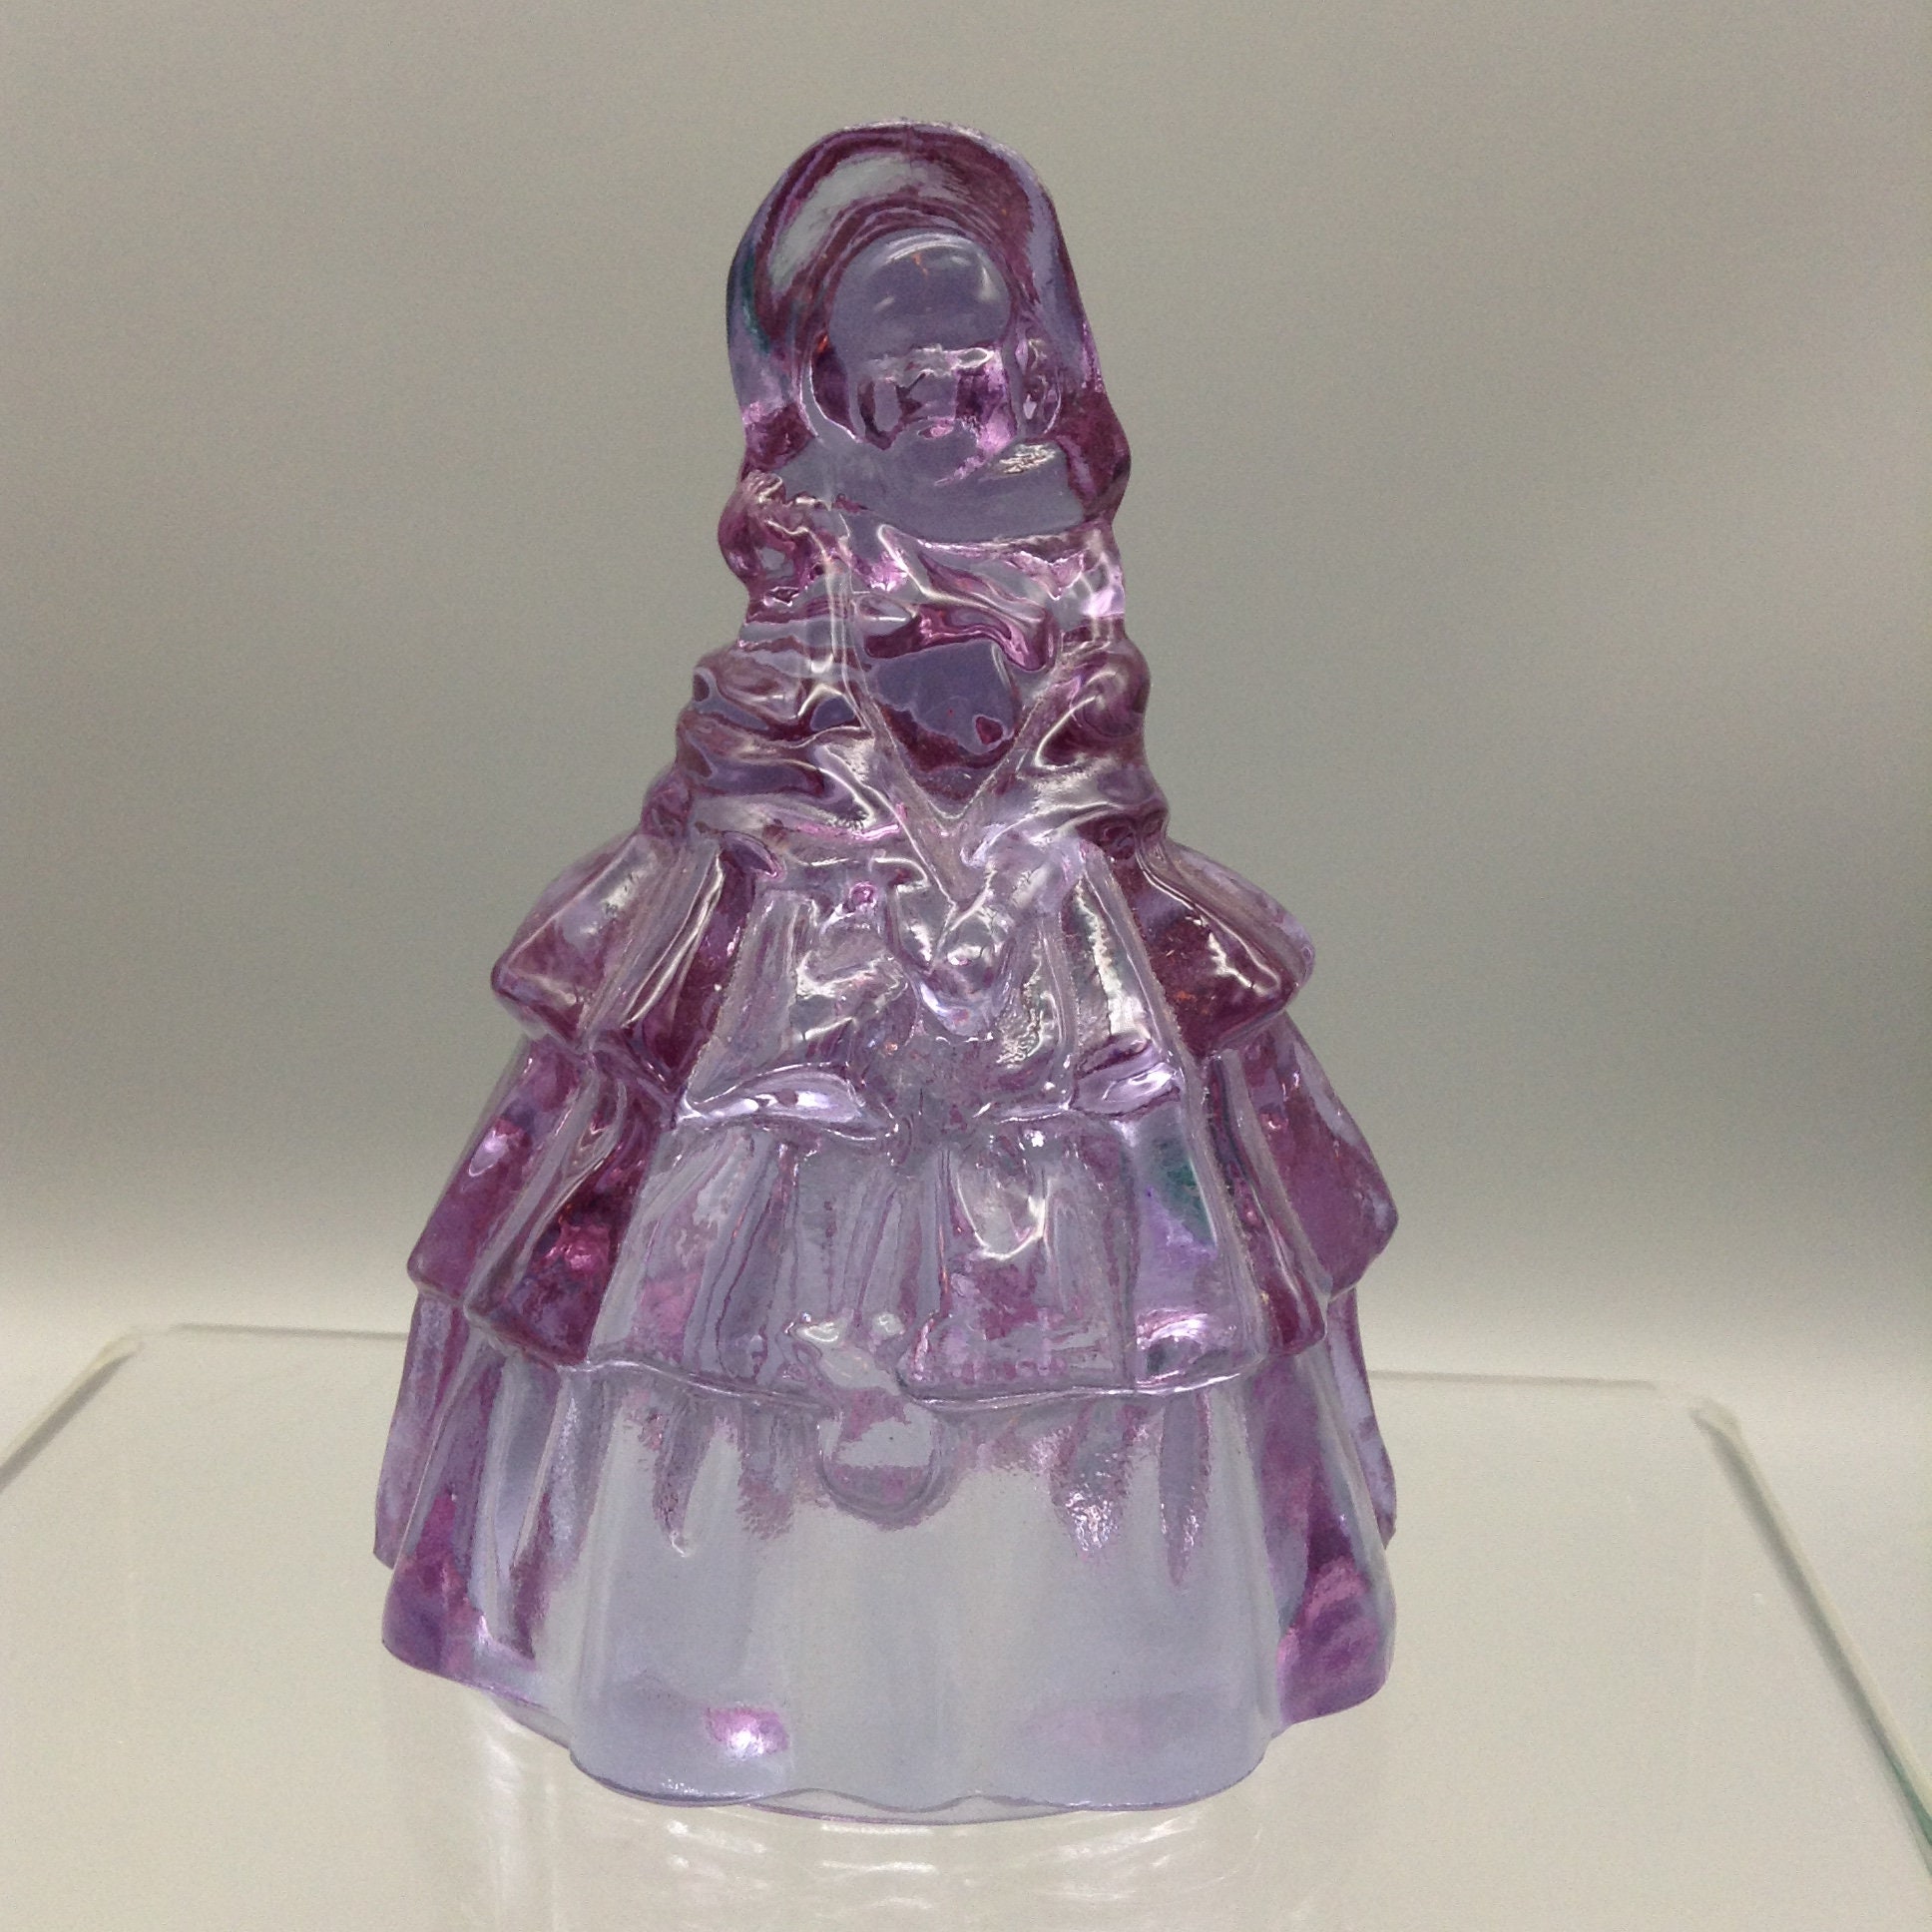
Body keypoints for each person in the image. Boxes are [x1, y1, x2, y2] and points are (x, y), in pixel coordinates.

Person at [375, 122, 1398, 1815]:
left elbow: (1088, 712)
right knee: (737, 1265)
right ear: (820, 368)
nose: (937, 376)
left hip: (1053, 923)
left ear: (1033, 348)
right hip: (815, 927)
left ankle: (1100, 1671)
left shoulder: (1057, 521)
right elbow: (764, 715)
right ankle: (722, 1657)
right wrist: (879, 834)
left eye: (970, 335)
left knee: (1118, 1281)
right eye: (889, 341)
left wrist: (1001, 845)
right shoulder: (813, 531)